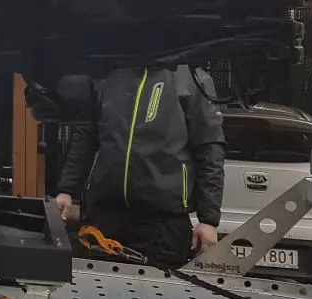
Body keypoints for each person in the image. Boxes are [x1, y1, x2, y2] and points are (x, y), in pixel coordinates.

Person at [54, 64, 224, 267]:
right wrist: (67, 190)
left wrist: (208, 220)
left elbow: (209, 149)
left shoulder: (193, 81)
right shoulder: (105, 76)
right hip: (105, 216)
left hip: (163, 223)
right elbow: (85, 138)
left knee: (158, 287)